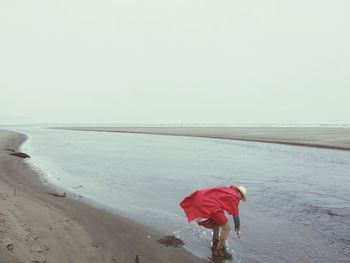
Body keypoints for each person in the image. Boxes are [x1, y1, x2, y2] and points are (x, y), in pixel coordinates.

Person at [180, 185, 247, 259]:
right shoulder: (234, 196)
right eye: (241, 198)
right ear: (240, 193)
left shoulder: (228, 190)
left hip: (201, 198)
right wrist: (238, 229)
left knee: (217, 221)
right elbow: (235, 214)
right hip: (209, 204)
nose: (240, 200)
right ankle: (219, 250)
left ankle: (215, 243)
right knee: (227, 227)